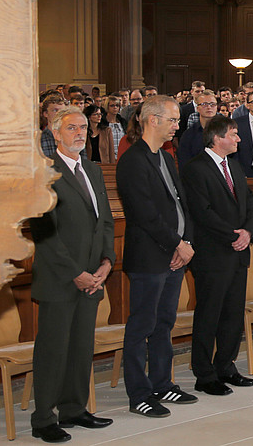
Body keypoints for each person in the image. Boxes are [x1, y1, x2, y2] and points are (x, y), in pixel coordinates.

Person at [29, 107, 115, 443]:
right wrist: (75, 272)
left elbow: (104, 221)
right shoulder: (43, 173)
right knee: (54, 350)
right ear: (54, 133)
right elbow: (45, 234)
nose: (80, 133)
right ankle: (43, 418)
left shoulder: (92, 169)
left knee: (81, 346)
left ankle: (74, 408)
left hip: (93, 276)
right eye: (71, 128)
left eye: (82, 127)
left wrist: (106, 263)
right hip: (60, 279)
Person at [116, 95, 197, 418]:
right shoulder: (133, 160)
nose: (177, 126)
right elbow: (144, 213)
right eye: (173, 120)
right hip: (150, 256)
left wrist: (185, 240)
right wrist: (177, 244)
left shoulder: (165, 157)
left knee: (164, 322)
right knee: (142, 325)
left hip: (174, 254)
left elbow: (182, 204)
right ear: (152, 120)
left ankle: (162, 383)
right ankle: (139, 393)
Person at [180, 115, 253, 396]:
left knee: (233, 314)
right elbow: (202, 211)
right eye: (233, 134)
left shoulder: (234, 166)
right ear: (217, 137)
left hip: (237, 252)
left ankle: (226, 365)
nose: (238, 139)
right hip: (213, 253)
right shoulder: (195, 169)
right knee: (209, 315)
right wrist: (233, 235)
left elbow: (249, 202)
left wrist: (248, 232)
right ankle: (204, 373)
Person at [177, 90, 218, 167]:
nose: (209, 107)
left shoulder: (225, 132)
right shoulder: (188, 135)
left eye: (212, 104)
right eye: (204, 104)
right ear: (198, 108)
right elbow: (184, 163)